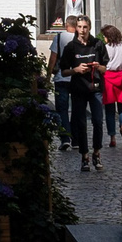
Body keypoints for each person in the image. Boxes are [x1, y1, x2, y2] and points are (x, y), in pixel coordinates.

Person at [57, 16, 108, 173]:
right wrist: (76, 70)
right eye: (79, 27)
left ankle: (97, 153)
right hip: (78, 89)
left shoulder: (98, 44)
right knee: (81, 124)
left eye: (85, 27)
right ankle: (84, 156)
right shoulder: (71, 47)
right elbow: (63, 71)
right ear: (76, 28)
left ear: (89, 27)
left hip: (96, 88)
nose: (82, 30)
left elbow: (106, 68)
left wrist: (99, 67)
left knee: (98, 121)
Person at [100, 25, 122, 147]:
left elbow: (102, 64)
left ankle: (112, 137)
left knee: (109, 110)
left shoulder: (105, 48)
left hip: (108, 78)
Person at [47, 17, 75, 150]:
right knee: (77, 109)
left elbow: (53, 58)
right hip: (77, 78)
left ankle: (65, 138)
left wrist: (47, 76)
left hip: (61, 78)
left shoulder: (58, 38)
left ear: (66, 25)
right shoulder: (80, 38)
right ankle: (76, 139)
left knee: (62, 109)